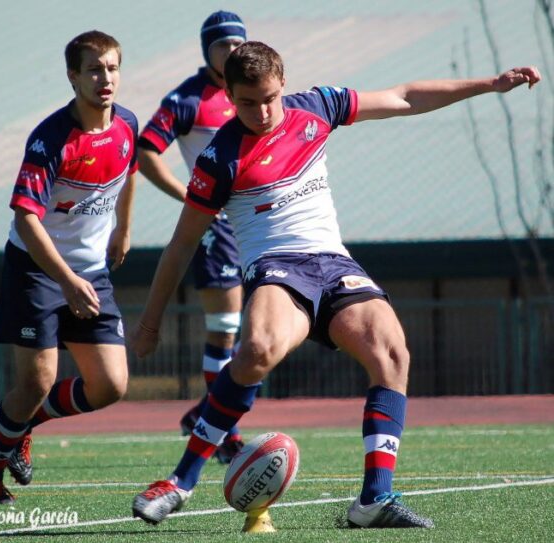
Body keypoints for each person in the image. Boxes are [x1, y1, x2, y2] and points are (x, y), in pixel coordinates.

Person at [130, 41, 541, 528]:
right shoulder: (219, 157)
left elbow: (406, 96)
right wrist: (151, 323)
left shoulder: (318, 107)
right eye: (246, 102)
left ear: (283, 83)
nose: (260, 112)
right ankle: (179, 483)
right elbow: (180, 245)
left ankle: (374, 500)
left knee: (392, 353)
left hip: (333, 262)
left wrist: (490, 85)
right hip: (276, 266)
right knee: (257, 348)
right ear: (228, 93)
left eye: (268, 98)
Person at [0, 30, 138, 505]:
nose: (105, 79)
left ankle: (27, 424)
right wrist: (67, 281)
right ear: (73, 77)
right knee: (36, 381)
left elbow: (129, 176)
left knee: (110, 385)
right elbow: (25, 219)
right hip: (37, 269)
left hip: (91, 272)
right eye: (93, 70)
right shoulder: (51, 138)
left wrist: (123, 231)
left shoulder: (126, 124)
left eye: (112, 68)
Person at [138, 11, 247, 463]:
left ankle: (205, 412)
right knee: (223, 331)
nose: (232, 52)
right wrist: (190, 195)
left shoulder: (251, 87)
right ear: (207, 51)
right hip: (217, 226)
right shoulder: (187, 98)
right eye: (222, 45)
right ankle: (224, 433)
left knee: (254, 332)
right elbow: (144, 150)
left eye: (238, 44)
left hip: (256, 221)